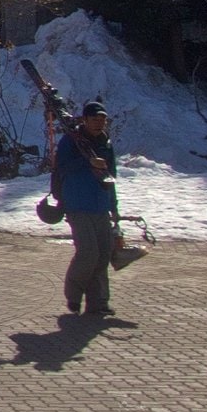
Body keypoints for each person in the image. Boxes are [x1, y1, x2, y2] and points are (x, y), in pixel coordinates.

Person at [53, 101, 121, 318]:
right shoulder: (71, 142)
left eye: (102, 119)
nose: (99, 123)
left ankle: (98, 303)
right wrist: (88, 162)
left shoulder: (106, 144)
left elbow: (111, 177)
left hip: (100, 205)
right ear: (85, 120)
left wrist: (114, 207)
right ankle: (74, 295)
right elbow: (62, 167)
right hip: (77, 205)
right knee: (88, 253)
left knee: (102, 255)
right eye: (94, 119)